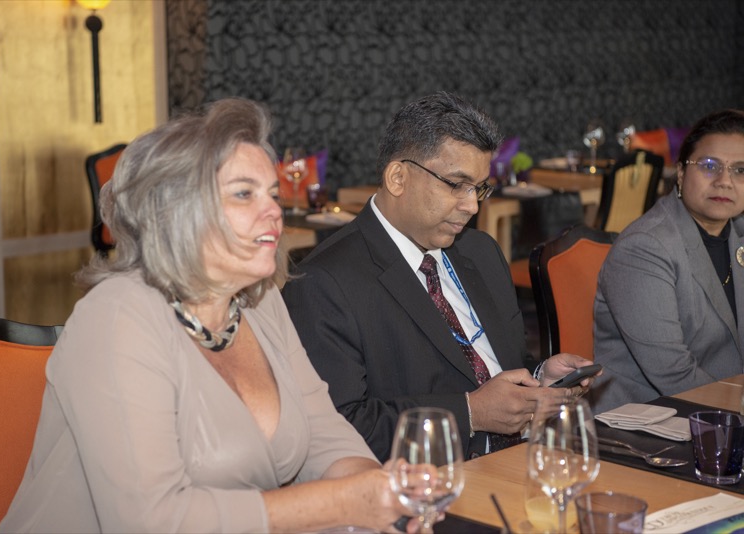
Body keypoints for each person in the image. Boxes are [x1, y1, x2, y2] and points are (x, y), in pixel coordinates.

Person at [0, 98, 411, 533]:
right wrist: (341, 504)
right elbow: (152, 522)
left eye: (272, 193)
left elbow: (323, 433)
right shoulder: (116, 318)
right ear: (175, 211)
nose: (274, 210)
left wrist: (378, 494)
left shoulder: (261, 300)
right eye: (244, 193)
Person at [281, 92, 596, 462]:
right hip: (432, 480)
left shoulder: (481, 252)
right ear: (398, 178)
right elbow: (338, 429)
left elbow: (500, 367)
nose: (472, 205)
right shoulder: (324, 283)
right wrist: (470, 414)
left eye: (479, 188)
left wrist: (539, 378)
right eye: (456, 185)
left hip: (526, 460)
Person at [591, 109, 744, 414]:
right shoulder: (645, 247)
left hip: (721, 410)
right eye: (709, 166)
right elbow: (674, 374)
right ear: (682, 173)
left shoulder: (738, 232)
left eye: (740, 170)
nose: (725, 181)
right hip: (651, 418)